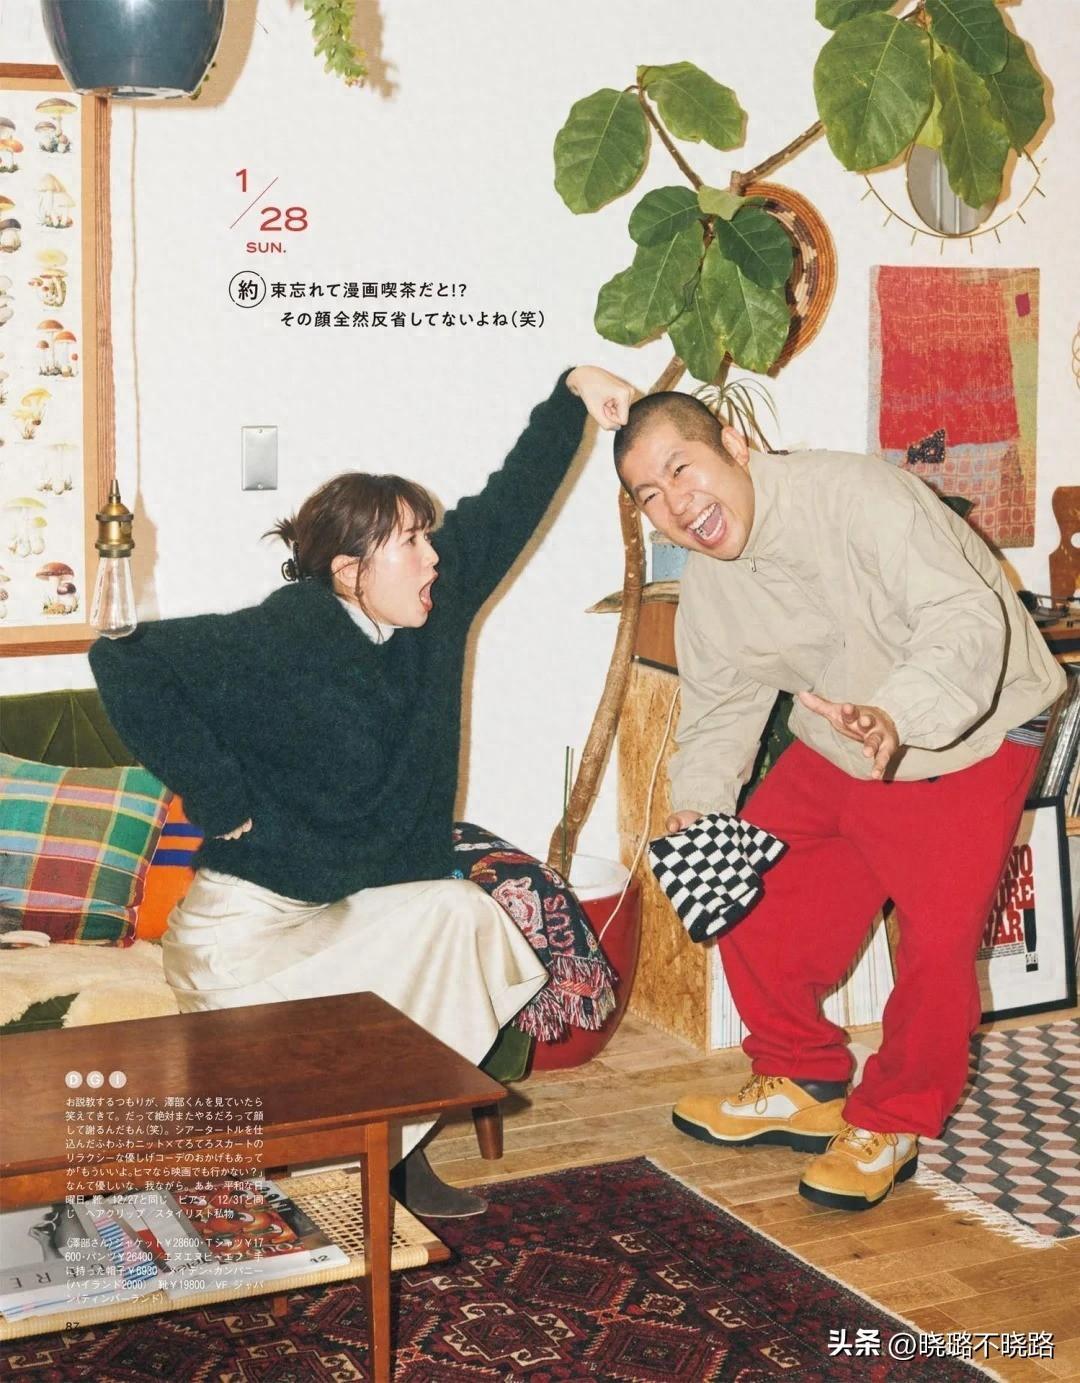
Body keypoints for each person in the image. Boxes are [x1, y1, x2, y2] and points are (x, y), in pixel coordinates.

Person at [90, 364, 636, 1218]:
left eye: (427, 537)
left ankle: (392, 1152)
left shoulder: (431, 612)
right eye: (410, 543)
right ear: (349, 570)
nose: (433, 556)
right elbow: (123, 660)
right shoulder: (286, 634)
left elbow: (511, 498)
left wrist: (571, 394)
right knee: (354, 1002)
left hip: (348, 912)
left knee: (462, 917)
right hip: (250, 936)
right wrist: (217, 795)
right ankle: (365, 1161)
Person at [614, 393, 1064, 1212]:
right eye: (651, 494)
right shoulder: (710, 585)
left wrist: (897, 715)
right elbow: (720, 710)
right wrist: (699, 805)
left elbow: (968, 619)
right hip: (842, 737)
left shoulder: (859, 496)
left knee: (937, 947)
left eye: (681, 468)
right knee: (737, 879)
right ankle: (801, 1074)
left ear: (735, 445)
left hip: (971, 729)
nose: (676, 503)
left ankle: (892, 1120)